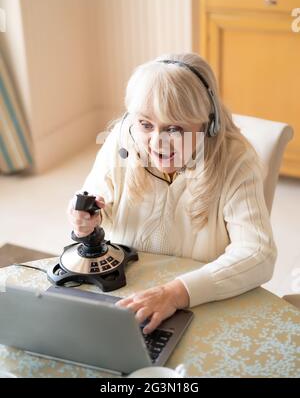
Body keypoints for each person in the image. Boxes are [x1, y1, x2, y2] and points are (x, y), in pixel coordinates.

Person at [68, 53, 277, 334]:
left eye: (175, 128)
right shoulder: (122, 139)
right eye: (145, 124)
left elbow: (258, 254)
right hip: (124, 303)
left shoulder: (235, 160)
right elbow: (95, 199)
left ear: (208, 124)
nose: (157, 142)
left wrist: (175, 293)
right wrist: (85, 218)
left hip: (201, 307)